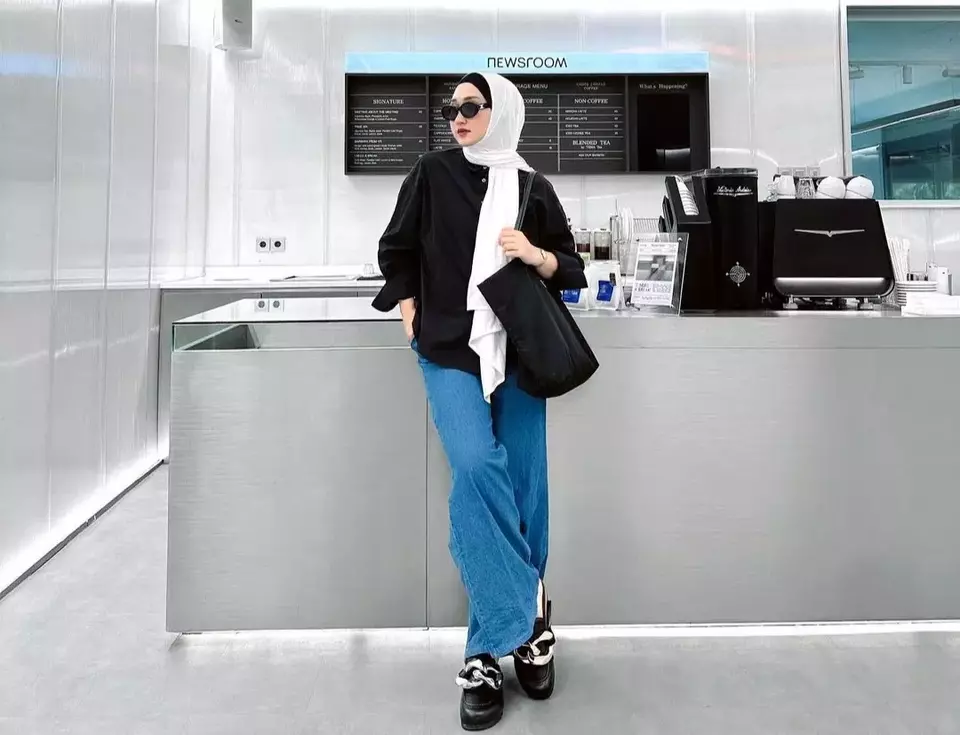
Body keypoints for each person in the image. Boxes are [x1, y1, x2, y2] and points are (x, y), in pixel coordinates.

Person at [372, 72, 587, 731]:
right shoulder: (431, 173)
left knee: (524, 489)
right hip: (448, 346)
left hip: (519, 352)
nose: (457, 116)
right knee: (474, 466)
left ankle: (484, 654)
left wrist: (535, 254)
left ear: (501, 112)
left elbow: (571, 268)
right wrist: (407, 304)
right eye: (452, 108)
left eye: (470, 106)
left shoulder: (532, 187)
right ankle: (529, 622)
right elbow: (396, 247)